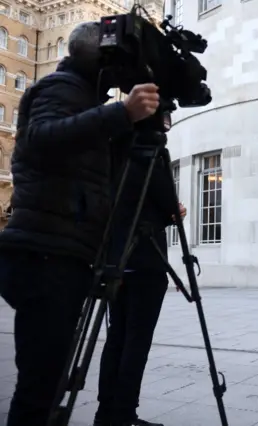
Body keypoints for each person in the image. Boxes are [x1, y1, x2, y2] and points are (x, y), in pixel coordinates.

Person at [0, 21, 160, 426]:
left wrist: (130, 125)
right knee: (39, 387)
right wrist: (120, 113)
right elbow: (40, 139)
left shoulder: (81, 96)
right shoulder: (60, 88)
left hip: (60, 253)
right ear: (100, 57)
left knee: (48, 381)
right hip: (46, 255)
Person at [92, 140, 187, 426]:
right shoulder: (150, 156)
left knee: (116, 340)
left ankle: (105, 412)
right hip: (146, 262)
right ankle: (123, 413)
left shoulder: (109, 155)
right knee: (135, 343)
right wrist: (173, 214)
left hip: (115, 261)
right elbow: (167, 204)